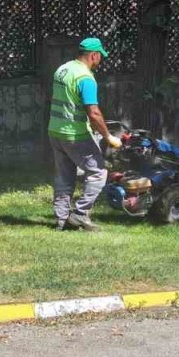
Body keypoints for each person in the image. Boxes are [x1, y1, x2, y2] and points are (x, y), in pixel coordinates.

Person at [48, 37, 123, 232]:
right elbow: (94, 113)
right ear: (94, 55)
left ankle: (62, 220)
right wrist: (108, 137)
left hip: (55, 131)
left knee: (64, 176)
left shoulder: (63, 69)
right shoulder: (85, 79)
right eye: (100, 57)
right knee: (97, 173)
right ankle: (80, 214)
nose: (100, 61)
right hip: (75, 134)